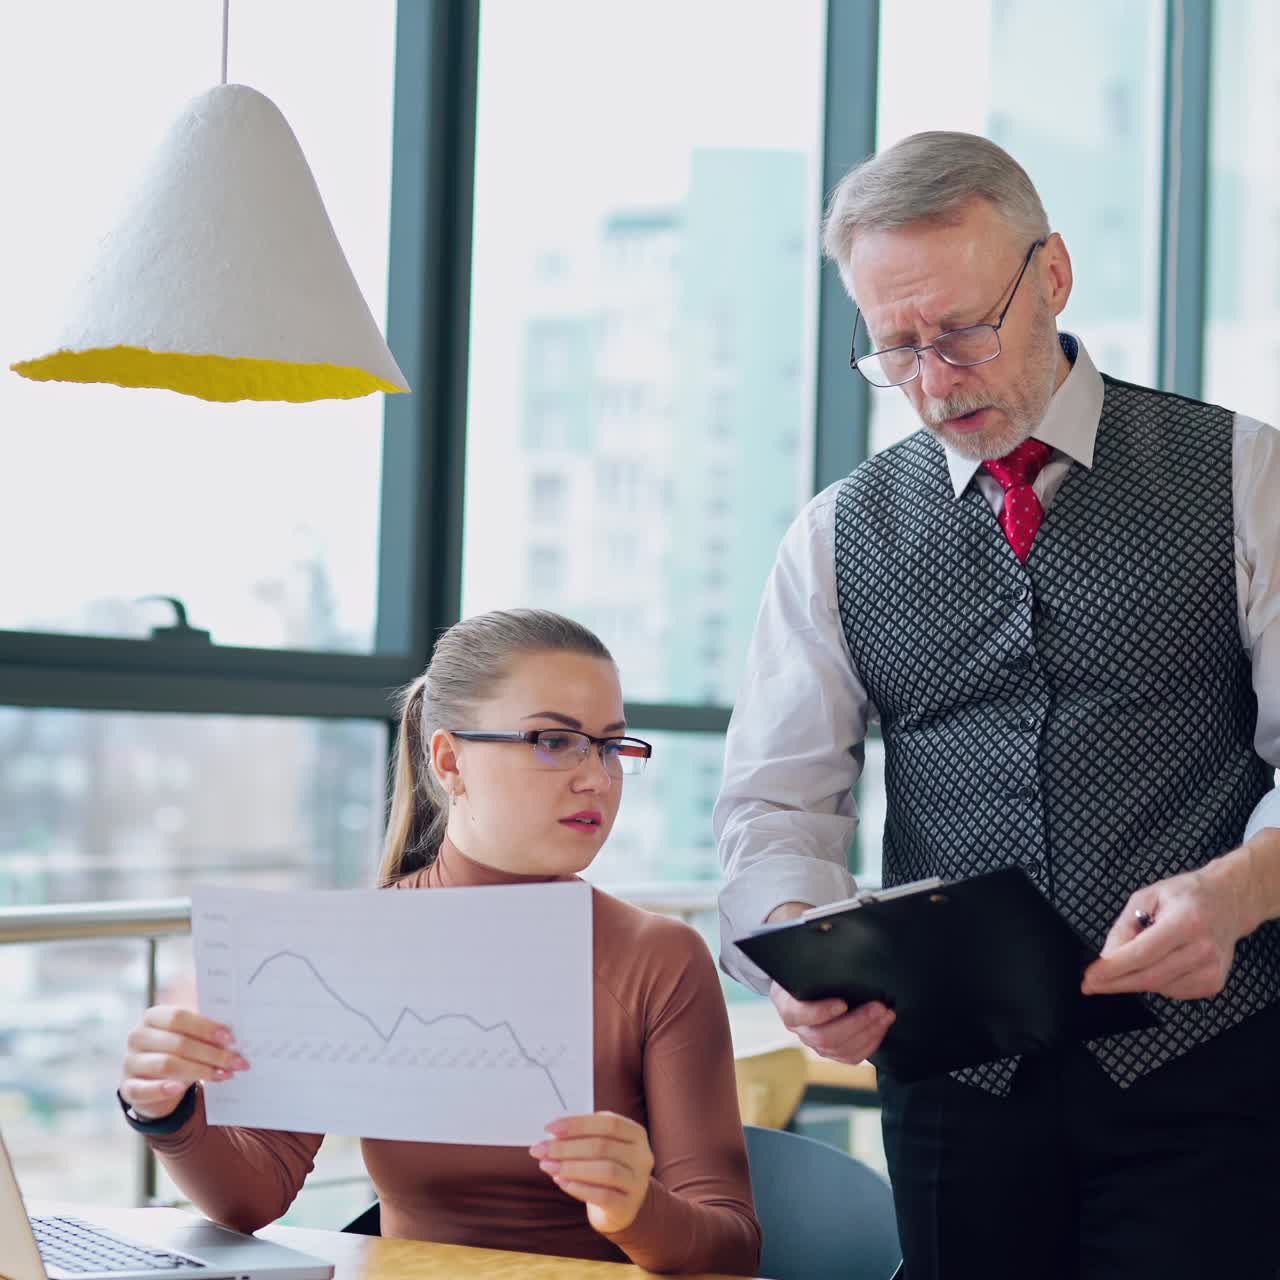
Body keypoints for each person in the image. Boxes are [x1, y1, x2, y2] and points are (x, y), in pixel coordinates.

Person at [716, 130, 1280, 1278]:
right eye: (896, 350)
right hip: (951, 1093)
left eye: (963, 331)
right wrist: (800, 957)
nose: (934, 379)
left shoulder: (1243, 474)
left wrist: (1234, 889)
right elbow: (774, 805)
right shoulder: (831, 536)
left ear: (1053, 274)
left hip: (1214, 1070)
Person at [119, 608, 761, 1275]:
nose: (597, 778)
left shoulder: (660, 957)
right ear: (450, 760)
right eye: (553, 740)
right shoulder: (356, 943)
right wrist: (164, 1110)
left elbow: (733, 1248)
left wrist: (637, 1210)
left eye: (610, 746)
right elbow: (255, 1195)